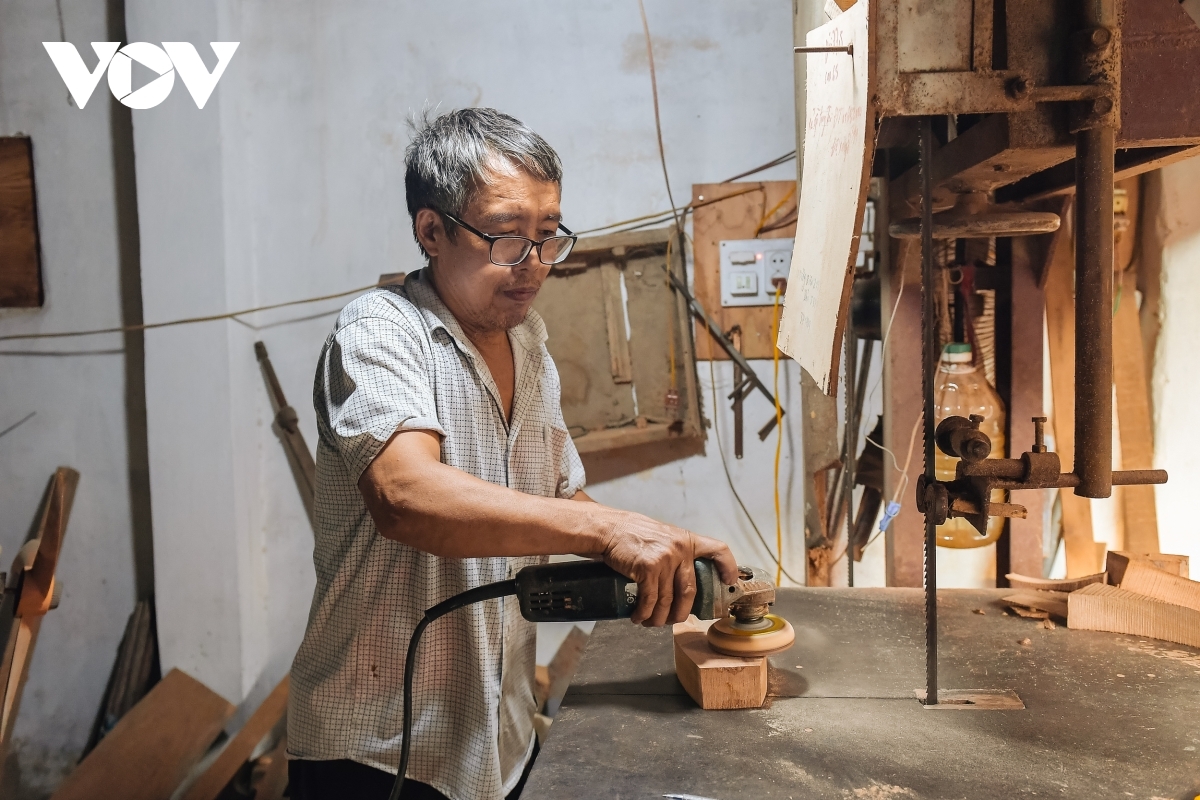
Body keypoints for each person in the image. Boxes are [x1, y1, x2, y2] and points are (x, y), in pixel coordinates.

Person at [286, 107, 738, 800]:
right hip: (380, 749)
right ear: (431, 231)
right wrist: (609, 532)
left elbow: (555, 500)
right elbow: (407, 498)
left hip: (497, 734)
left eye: (548, 235)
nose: (533, 264)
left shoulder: (530, 345)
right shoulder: (380, 332)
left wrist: (661, 543)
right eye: (506, 237)